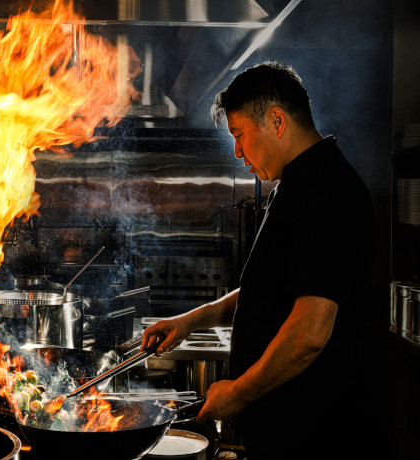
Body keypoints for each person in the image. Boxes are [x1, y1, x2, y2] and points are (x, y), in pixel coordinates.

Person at [141, 61, 385, 458]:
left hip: (321, 437)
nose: (237, 151)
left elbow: (309, 333)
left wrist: (237, 392)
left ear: (277, 120)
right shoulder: (295, 185)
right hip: (288, 432)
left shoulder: (328, 192)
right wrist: (190, 321)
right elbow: (269, 290)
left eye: (239, 134)